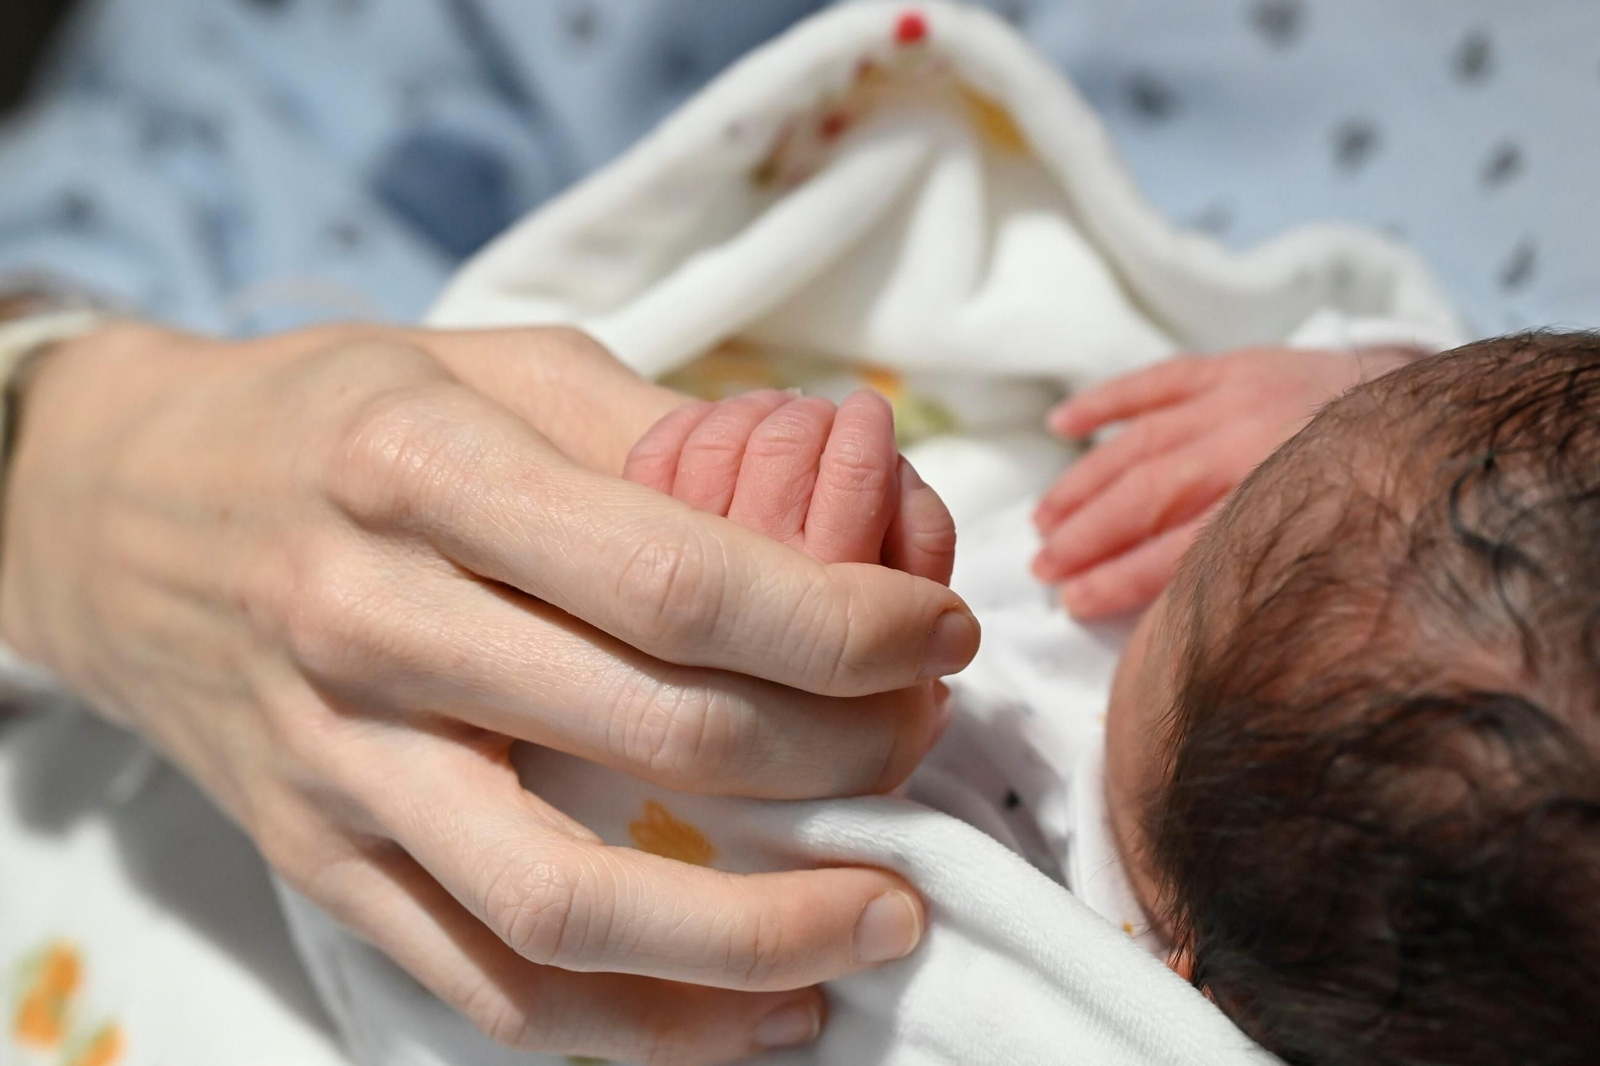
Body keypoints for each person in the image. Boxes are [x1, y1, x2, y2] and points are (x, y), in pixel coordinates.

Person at [625, 329, 1600, 1066]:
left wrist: (761, 613)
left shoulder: (1016, 947)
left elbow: (674, 859)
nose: (1202, 524)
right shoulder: (1426, 510)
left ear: (1204, 985)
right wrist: (1369, 394)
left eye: (1212, 541)